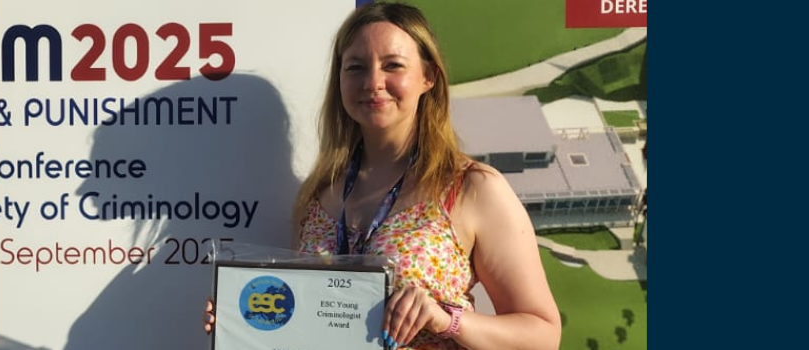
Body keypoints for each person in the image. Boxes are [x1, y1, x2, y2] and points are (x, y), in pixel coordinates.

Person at [205, 3, 561, 349]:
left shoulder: (472, 187)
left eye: (393, 65)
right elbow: (307, 322)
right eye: (356, 67)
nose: (373, 82)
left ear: (428, 77)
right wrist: (244, 319)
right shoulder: (319, 195)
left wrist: (446, 319)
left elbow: (543, 334)